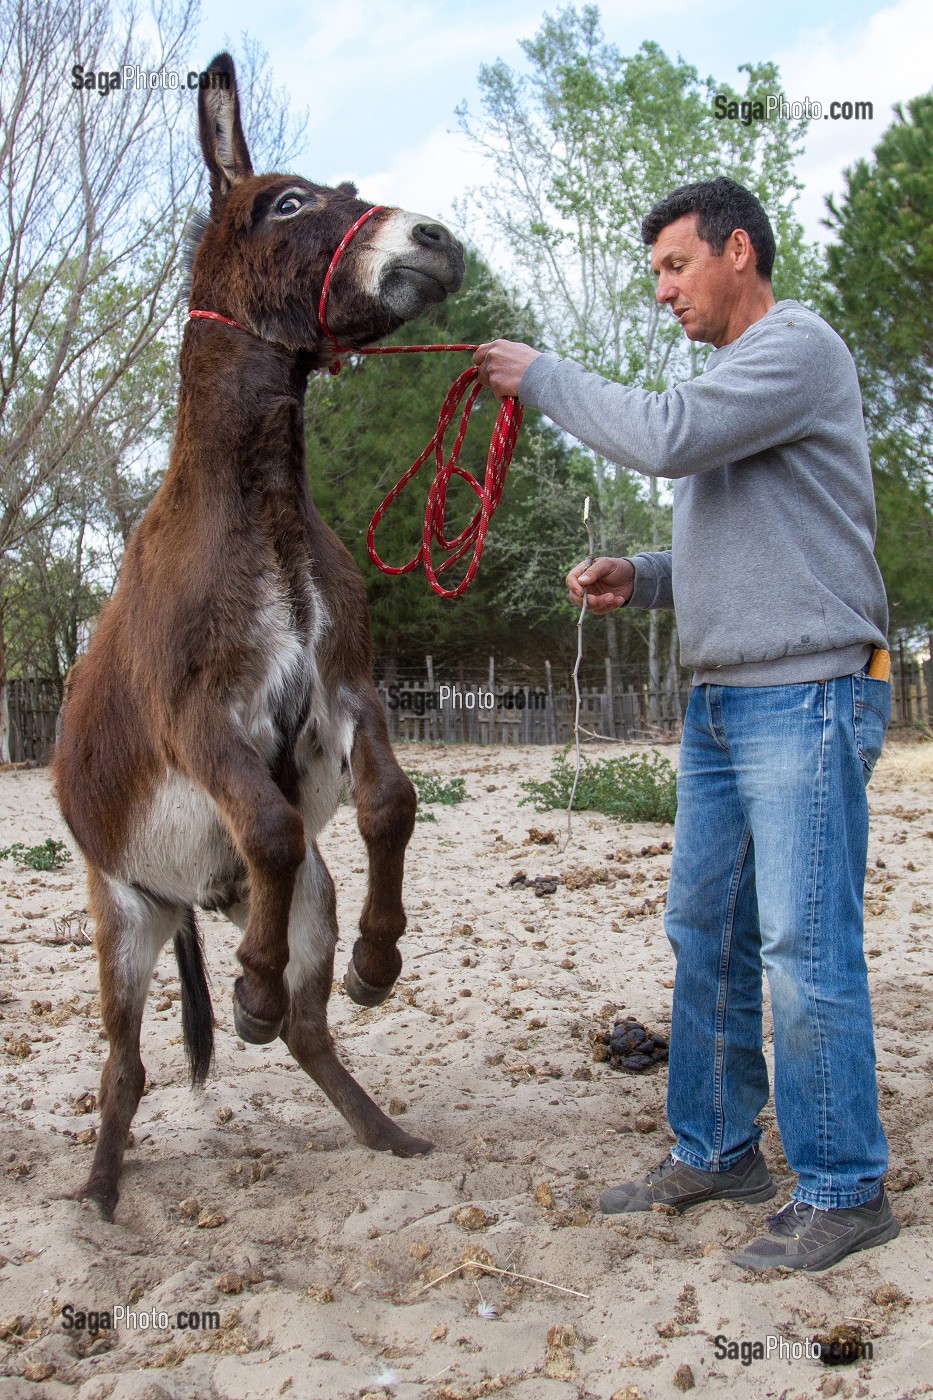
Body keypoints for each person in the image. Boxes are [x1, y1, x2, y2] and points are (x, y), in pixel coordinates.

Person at [472, 176, 899, 1273]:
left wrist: (545, 376)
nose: (662, 290)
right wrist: (649, 577)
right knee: (706, 932)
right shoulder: (738, 380)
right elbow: (755, 535)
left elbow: (662, 437)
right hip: (723, 702)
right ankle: (716, 1149)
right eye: (655, 272)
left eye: (673, 265)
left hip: (803, 696)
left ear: (738, 252)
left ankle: (847, 1188)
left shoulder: (795, 349)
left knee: (805, 944)